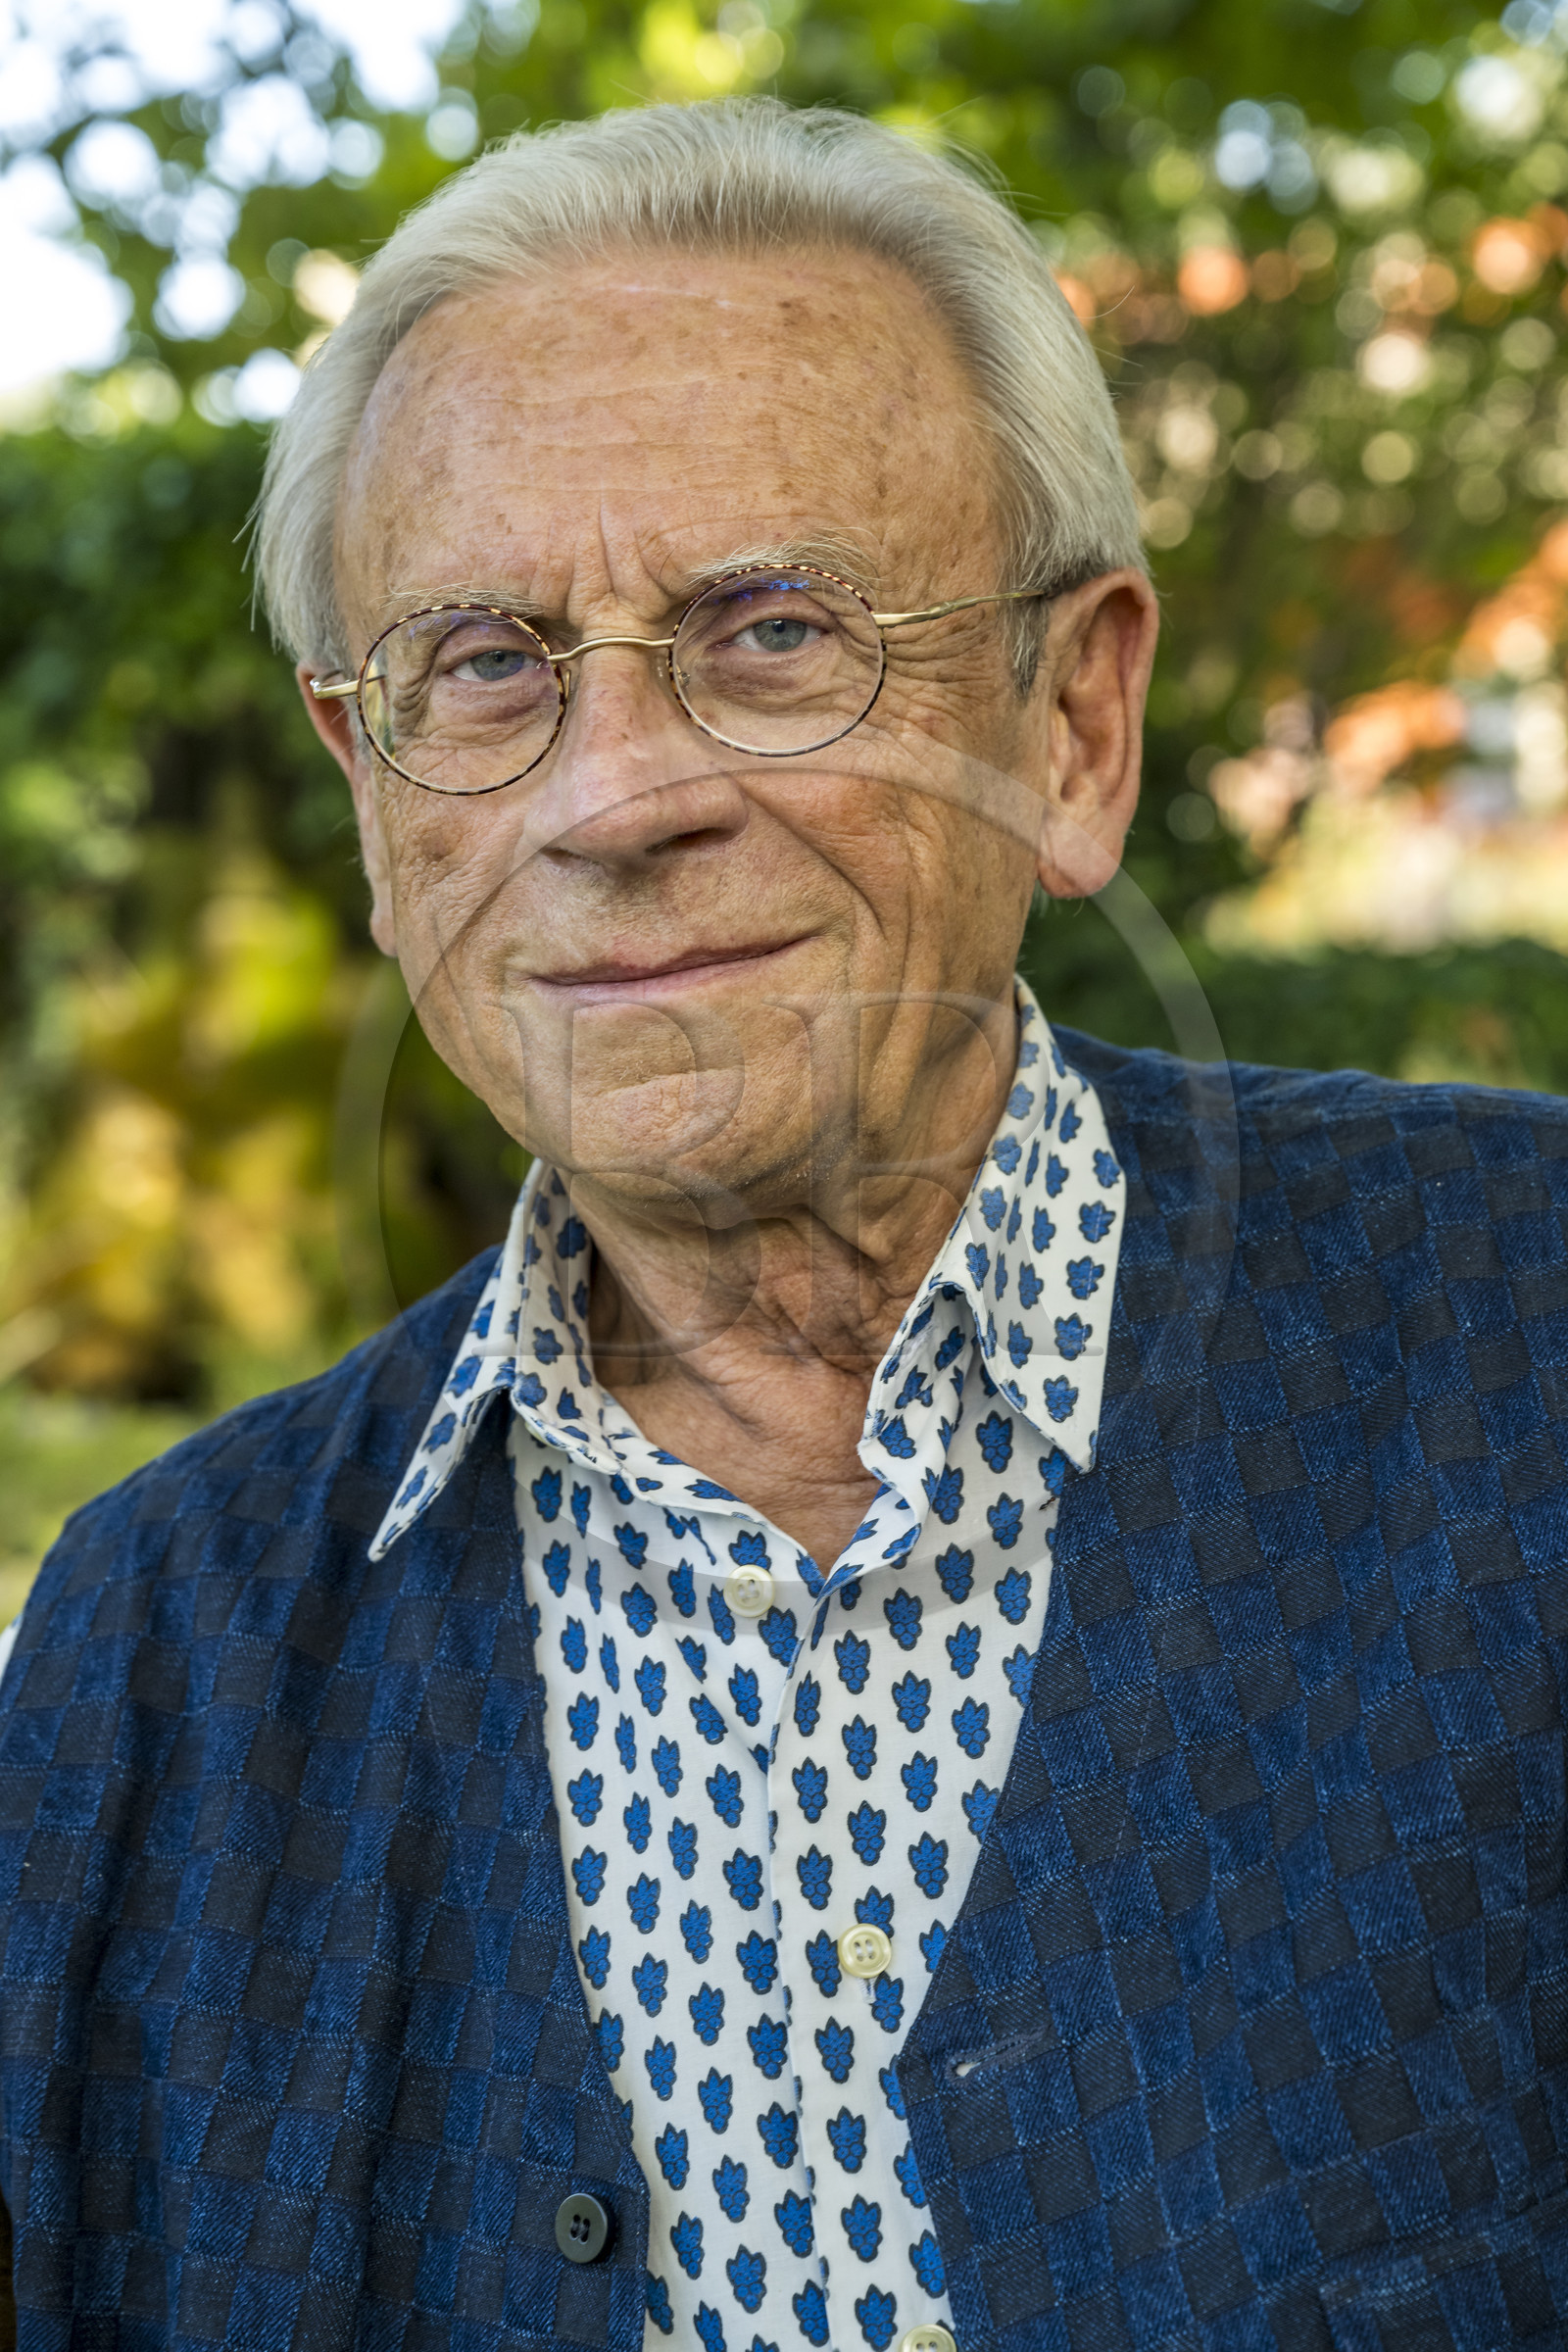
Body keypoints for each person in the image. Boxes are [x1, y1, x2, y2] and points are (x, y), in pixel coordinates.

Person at [1, 96, 1565, 2352]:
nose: (611, 798)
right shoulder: (152, 1652)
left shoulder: (1524, 1343)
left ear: (1072, 724)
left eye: (768, 632)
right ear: (370, 799)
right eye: (484, 664)